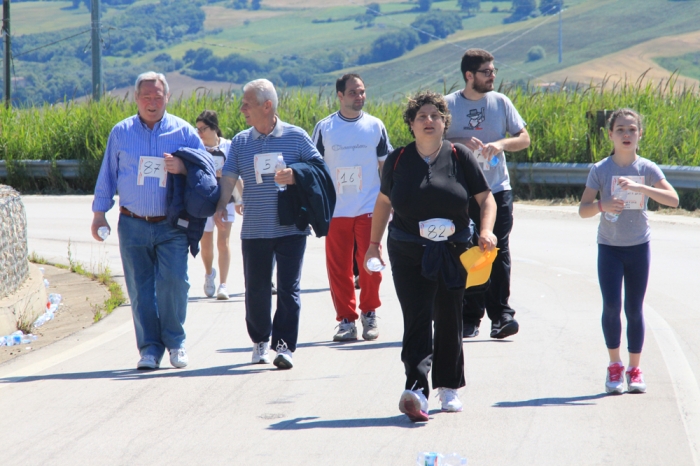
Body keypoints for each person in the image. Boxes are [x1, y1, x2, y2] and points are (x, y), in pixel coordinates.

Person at [364, 91, 497, 422]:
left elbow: (487, 200)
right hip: (408, 249)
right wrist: (373, 243)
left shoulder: (459, 156)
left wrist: (486, 231)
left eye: (435, 116)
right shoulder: (397, 160)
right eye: (421, 116)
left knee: (449, 316)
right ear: (411, 124)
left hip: (453, 250)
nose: (428, 121)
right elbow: (383, 203)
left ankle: (448, 387)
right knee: (417, 317)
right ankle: (416, 389)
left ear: (444, 123)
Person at [91, 71, 205, 370]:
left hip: (172, 224)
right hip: (133, 223)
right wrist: (99, 212)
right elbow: (108, 175)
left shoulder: (183, 132)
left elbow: (204, 173)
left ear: (167, 97)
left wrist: (182, 166)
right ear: (136, 99)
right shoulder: (121, 132)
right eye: (146, 97)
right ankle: (150, 349)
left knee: (175, 283)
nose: (152, 102)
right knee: (140, 289)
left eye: (158, 97)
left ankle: (176, 343)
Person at [215, 79, 331, 370]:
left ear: (267, 106)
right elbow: (229, 175)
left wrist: (296, 174)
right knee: (256, 289)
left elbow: (320, 169)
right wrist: (220, 206)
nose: (242, 108)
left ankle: (284, 346)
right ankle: (260, 340)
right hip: (254, 228)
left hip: (291, 226)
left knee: (289, 289)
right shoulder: (241, 141)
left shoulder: (296, 136)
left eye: (247, 103)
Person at [578, 108, 678, 394]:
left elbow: (673, 199)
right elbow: (583, 210)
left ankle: (635, 369)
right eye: (620, 129)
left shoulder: (647, 168)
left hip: (638, 247)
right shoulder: (600, 169)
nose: (626, 134)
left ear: (640, 134)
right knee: (611, 305)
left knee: (634, 308)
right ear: (610, 134)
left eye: (632, 129)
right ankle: (614, 366)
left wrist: (641, 188)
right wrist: (601, 205)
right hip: (609, 248)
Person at [445, 48, 531, 340]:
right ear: (469, 76)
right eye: (486, 72)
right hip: (461, 193)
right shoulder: (447, 105)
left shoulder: (501, 102)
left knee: (497, 249)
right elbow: (430, 141)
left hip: (497, 189)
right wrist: (458, 141)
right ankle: (469, 317)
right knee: (468, 251)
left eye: (494, 71)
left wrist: (502, 144)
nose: (492, 75)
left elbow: (524, 138)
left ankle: (502, 316)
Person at [312, 73, 391, 342]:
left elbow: (385, 167)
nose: (360, 96)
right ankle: (346, 320)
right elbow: (315, 168)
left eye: (362, 91)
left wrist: (390, 202)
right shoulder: (325, 128)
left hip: (369, 206)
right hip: (336, 210)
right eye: (354, 92)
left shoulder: (375, 126)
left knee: (371, 262)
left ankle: (369, 313)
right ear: (340, 96)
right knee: (339, 268)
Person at [195, 110, 241, 300]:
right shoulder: (197, 147)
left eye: (202, 129)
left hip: (226, 201)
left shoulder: (229, 146)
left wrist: (241, 200)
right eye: (197, 129)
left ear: (214, 128)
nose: (199, 133)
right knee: (206, 245)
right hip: (205, 202)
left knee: (223, 242)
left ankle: (223, 284)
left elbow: (237, 175)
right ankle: (209, 275)